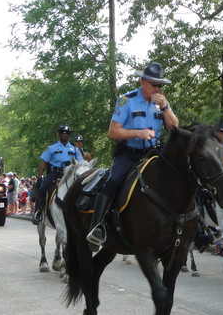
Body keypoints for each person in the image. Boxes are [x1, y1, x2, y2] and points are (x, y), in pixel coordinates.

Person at [86, 62, 179, 248]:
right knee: (113, 180)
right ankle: (98, 226)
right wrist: (138, 133)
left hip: (154, 153)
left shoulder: (162, 101)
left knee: (181, 175)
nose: (158, 88)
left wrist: (165, 107)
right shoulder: (126, 100)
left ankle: (194, 226)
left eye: (160, 85)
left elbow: (175, 128)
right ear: (143, 81)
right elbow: (113, 132)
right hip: (130, 153)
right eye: (154, 84)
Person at [32, 124, 84, 225]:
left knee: (82, 189)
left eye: (67, 133)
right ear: (59, 134)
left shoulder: (75, 149)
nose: (64, 135)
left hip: (69, 173)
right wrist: (39, 176)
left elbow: (81, 163)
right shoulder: (52, 148)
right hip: (54, 173)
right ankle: (38, 213)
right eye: (62, 133)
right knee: (43, 188)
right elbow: (43, 163)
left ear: (69, 135)